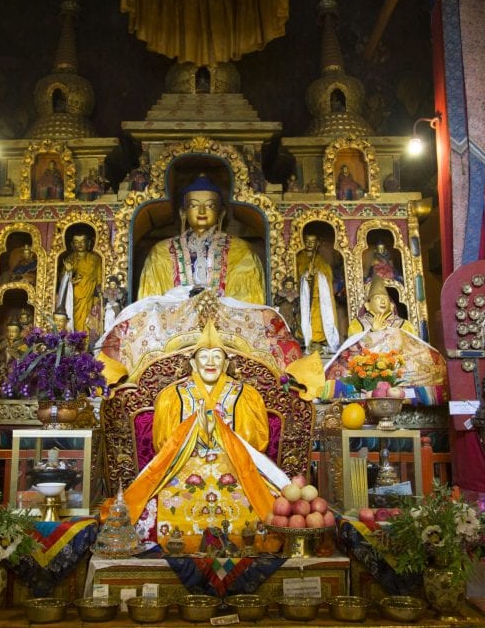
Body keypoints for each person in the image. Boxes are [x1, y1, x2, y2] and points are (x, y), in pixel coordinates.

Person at [123, 321, 288, 545]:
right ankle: (176, 542)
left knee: (262, 503)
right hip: (183, 466)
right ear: (192, 362)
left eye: (217, 356)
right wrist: (196, 434)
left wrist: (218, 433)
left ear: (226, 363)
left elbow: (255, 443)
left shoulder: (245, 395)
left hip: (235, 466)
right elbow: (164, 443)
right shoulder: (173, 395)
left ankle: (246, 542)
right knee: (159, 502)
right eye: (204, 356)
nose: (210, 362)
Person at [138, 175, 266, 304]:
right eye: (193, 205)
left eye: (210, 206)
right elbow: (149, 304)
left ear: (221, 213)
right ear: (183, 212)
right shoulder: (161, 252)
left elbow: (249, 303)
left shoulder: (241, 251)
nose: (202, 211)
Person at [326, 278, 447, 403]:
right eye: (378, 298)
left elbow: (414, 349)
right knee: (344, 371)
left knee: (428, 367)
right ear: (367, 305)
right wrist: (373, 331)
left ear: (392, 305)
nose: (383, 301)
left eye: (386, 299)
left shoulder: (404, 324)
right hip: (368, 368)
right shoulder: (358, 325)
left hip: (400, 368)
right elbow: (353, 350)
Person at [296, 233, 339, 353]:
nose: (309, 244)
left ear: (317, 243)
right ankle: (306, 340)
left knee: (319, 319)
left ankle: (319, 341)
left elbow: (328, 275)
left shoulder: (320, 260)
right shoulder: (298, 258)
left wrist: (318, 274)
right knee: (304, 317)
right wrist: (305, 276)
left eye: (312, 241)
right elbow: (294, 275)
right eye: (307, 241)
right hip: (303, 297)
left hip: (318, 297)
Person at [56, 232, 103, 336]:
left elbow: (100, 279)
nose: (80, 245)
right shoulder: (69, 259)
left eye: (83, 242)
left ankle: (86, 346)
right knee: (72, 319)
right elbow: (62, 282)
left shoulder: (95, 259)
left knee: (88, 322)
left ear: (89, 243)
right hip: (72, 298)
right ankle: (72, 343)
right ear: (72, 244)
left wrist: (99, 295)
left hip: (89, 297)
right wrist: (69, 276)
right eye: (76, 242)